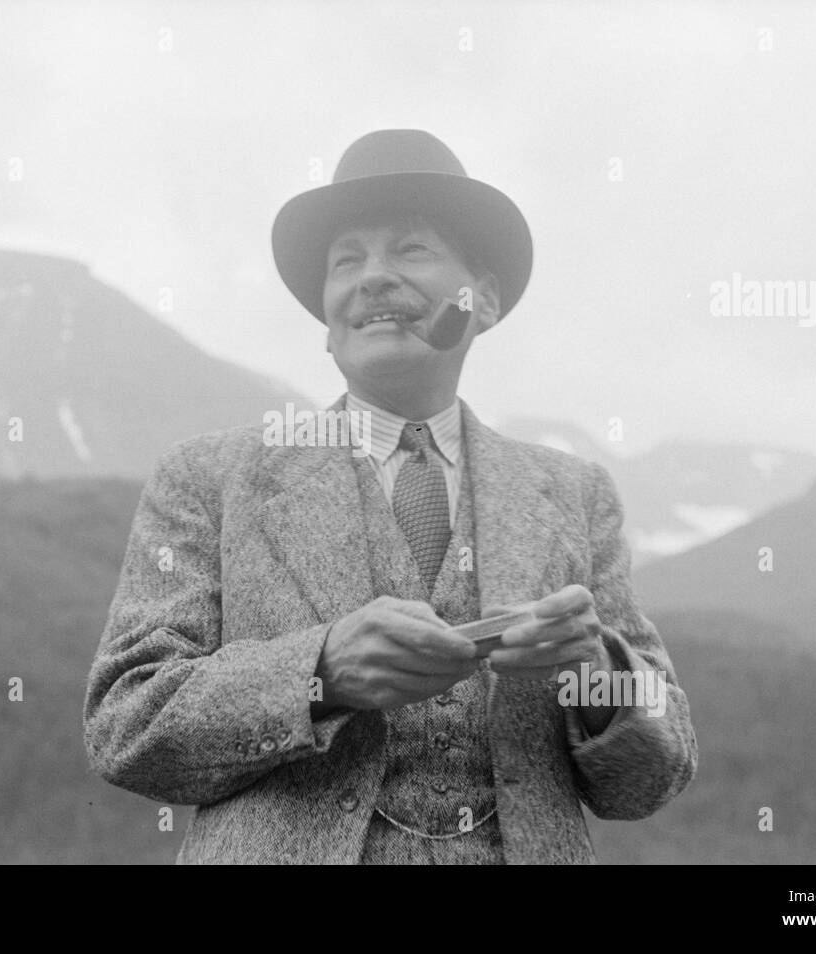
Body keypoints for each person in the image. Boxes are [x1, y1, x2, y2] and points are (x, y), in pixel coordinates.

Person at [84, 129, 697, 864]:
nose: (372, 278)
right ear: (327, 321)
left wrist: (590, 675)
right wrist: (320, 672)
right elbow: (125, 726)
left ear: (485, 300)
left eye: (411, 250)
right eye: (348, 260)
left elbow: (653, 777)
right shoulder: (207, 477)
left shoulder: (575, 496)